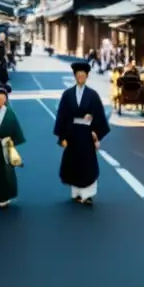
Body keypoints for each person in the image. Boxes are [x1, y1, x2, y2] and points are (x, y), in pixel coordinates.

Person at [55, 61, 110, 204]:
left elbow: (99, 115)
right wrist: (62, 137)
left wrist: (95, 132)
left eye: (83, 75)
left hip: (87, 134)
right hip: (72, 134)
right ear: (75, 76)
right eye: (78, 75)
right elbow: (62, 115)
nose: (80, 77)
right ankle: (77, 193)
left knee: (87, 163)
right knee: (74, 163)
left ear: (87, 76)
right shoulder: (67, 94)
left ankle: (88, 194)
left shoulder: (93, 95)